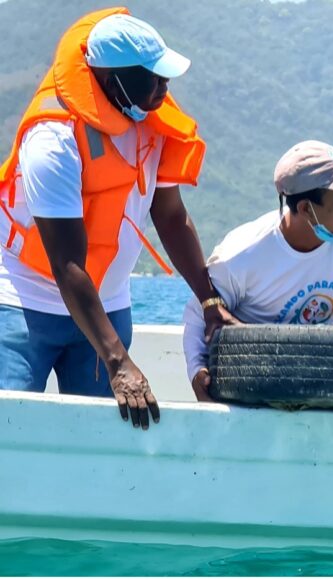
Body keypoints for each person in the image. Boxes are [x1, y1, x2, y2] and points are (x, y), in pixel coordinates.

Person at [0, 9, 234, 429]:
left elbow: (171, 215)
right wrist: (118, 359)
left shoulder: (150, 122)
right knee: (9, 428)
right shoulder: (53, 138)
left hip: (106, 302)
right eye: (154, 77)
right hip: (24, 301)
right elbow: (67, 263)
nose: (166, 88)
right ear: (112, 78)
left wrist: (209, 298)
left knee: (102, 436)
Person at [183, 141, 333, 401]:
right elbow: (198, 314)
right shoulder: (241, 255)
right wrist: (198, 371)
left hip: (330, 384)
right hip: (255, 387)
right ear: (305, 208)